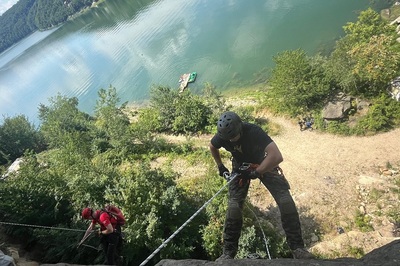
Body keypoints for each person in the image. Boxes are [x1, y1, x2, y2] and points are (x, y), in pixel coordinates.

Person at [209, 111, 314, 260]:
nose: (231, 141)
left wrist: (257, 172)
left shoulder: (253, 131)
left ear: (240, 128)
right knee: (234, 206)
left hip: (263, 163)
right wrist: (220, 167)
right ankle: (228, 253)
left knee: (285, 201)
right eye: (228, 139)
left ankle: (297, 248)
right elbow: (212, 147)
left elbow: (276, 156)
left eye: (233, 137)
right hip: (240, 167)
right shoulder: (223, 136)